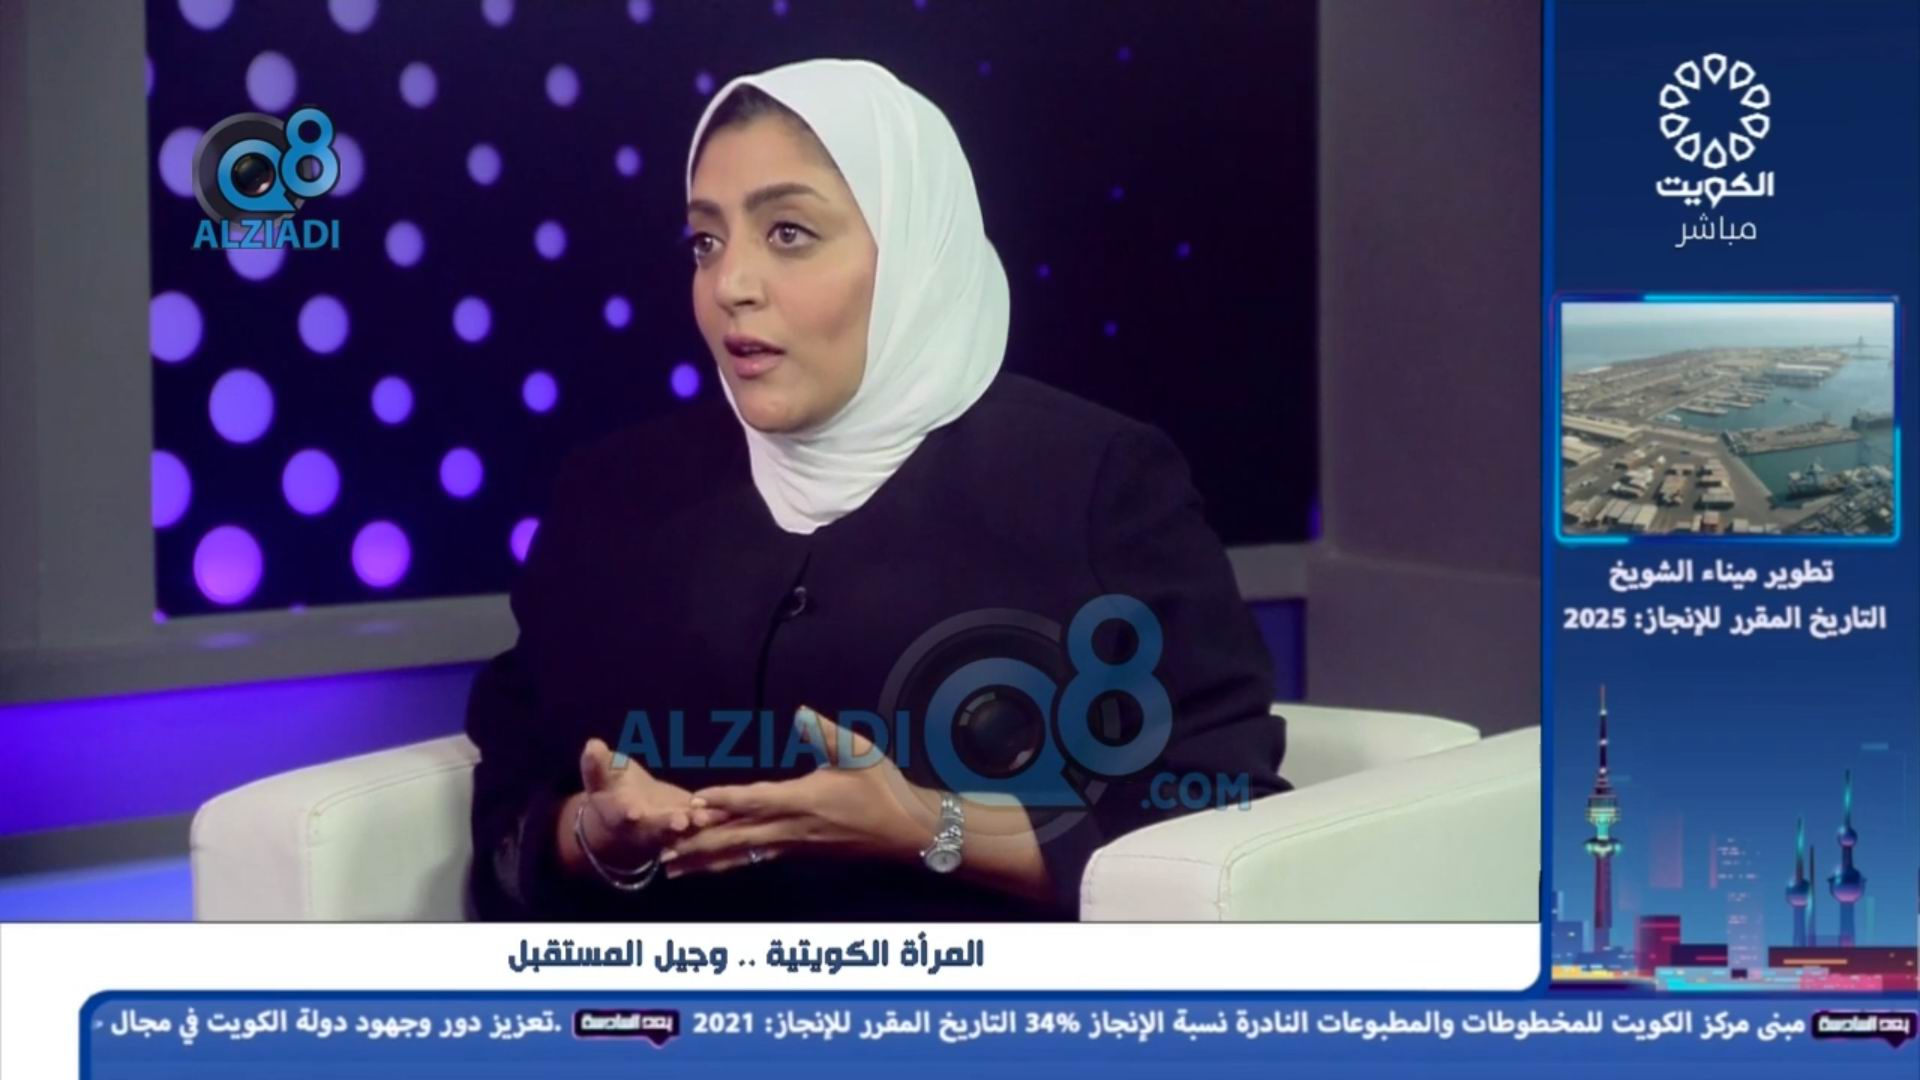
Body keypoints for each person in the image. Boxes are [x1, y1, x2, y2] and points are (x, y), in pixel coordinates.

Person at [465, 58, 1289, 922]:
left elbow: (1219, 811)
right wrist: (593, 836)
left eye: (788, 233)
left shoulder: (1095, 483)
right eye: (706, 242)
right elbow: (512, 808)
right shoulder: (611, 494)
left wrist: (929, 828)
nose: (731, 285)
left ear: (911, 252)